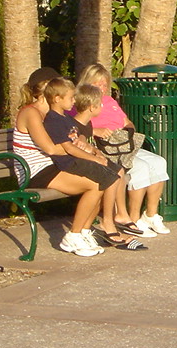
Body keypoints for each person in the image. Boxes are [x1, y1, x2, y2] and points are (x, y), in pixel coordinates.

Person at [8, 67, 109, 257]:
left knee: (103, 179)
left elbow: (71, 138)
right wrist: (76, 148)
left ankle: (84, 233)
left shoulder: (54, 114)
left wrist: (86, 148)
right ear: (48, 89)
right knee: (94, 185)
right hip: (36, 171)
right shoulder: (31, 113)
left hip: (54, 165)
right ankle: (73, 236)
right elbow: (50, 149)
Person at [41, 77, 143, 249]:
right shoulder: (53, 120)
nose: (74, 101)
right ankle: (105, 223)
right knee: (108, 178)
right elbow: (69, 149)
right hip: (69, 162)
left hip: (78, 157)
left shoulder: (65, 118)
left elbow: (77, 137)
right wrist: (94, 158)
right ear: (57, 99)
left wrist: (93, 150)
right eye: (71, 98)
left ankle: (88, 229)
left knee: (116, 171)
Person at [76, 63, 172, 238]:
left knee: (159, 162)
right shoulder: (81, 103)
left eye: (105, 84)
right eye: (98, 84)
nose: (103, 88)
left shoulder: (110, 101)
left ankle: (150, 215)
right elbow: (76, 126)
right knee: (141, 167)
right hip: (105, 148)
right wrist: (95, 131)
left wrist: (128, 129)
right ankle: (131, 218)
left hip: (123, 143)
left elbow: (127, 121)